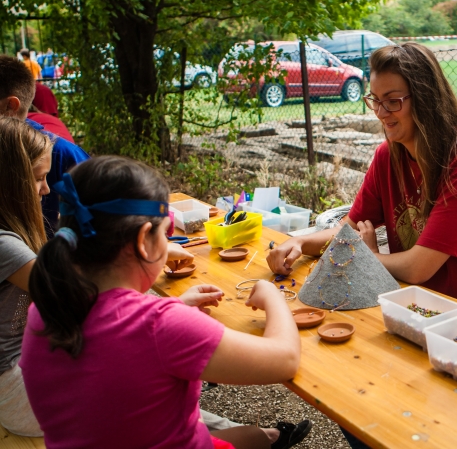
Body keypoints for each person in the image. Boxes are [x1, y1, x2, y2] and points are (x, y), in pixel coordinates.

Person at [21, 156, 312, 449]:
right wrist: (274, 298)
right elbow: (285, 360)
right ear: (144, 238)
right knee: (251, 438)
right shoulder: (161, 325)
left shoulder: (45, 310)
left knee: (253, 436)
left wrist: (176, 311)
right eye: (166, 231)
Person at [267, 43, 457, 307]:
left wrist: (367, 256)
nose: (381, 113)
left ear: (426, 98)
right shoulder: (389, 155)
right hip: (426, 305)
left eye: (393, 101)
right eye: (375, 100)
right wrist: (300, 242)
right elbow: (346, 231)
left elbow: (418, 268)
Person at [0, 117, 53, 437]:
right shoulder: (4, 245)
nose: (46, 189)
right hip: (15, 391)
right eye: (38, 179)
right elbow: (78, 295)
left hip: (26, 366)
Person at [0, 54, 90, 237]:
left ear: (10, 106)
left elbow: (104, 217)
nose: (46, 189)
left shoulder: (60, 154)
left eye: (42, 176)